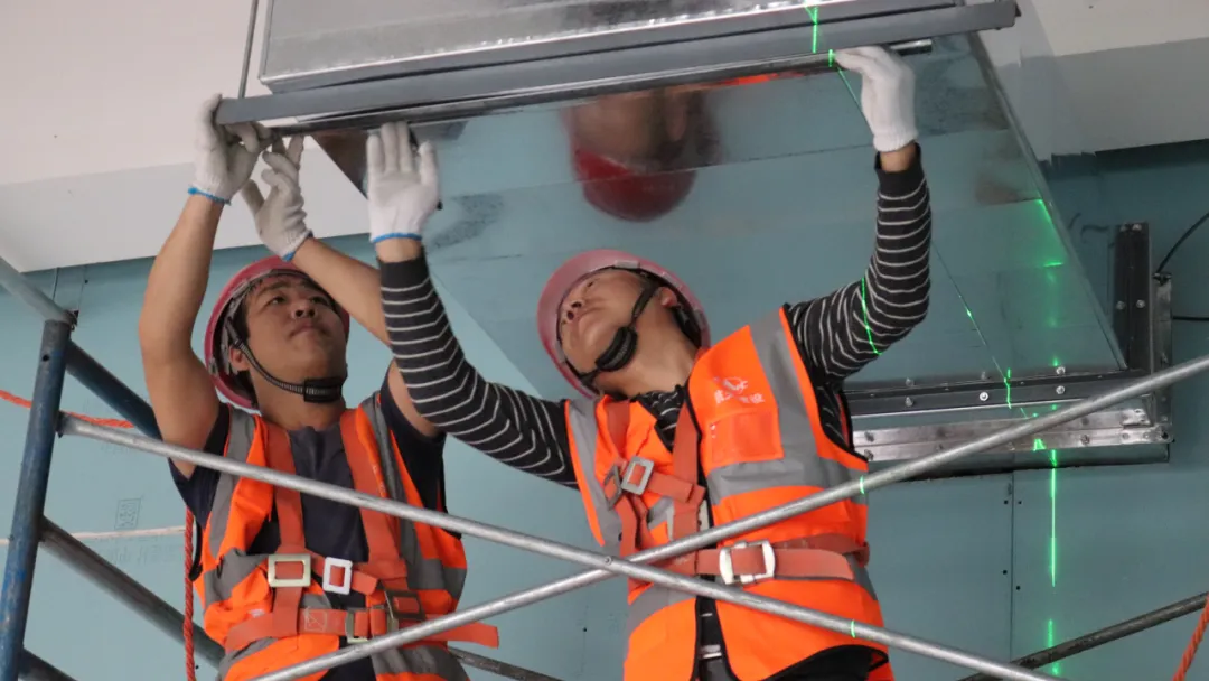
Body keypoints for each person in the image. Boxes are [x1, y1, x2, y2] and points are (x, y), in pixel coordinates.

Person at [369, 44, 929, 682]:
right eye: (564, 321)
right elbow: (446, 395)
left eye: (593, 284)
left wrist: (897, 150)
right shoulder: (586, 441)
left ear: (666, 296)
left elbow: (894, 300)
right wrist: (398, 250)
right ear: (582, 376)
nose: (572, 304)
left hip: (811, 662)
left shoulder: (785, 355)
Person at [137, 95, 498, 681]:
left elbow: (420, 341)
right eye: (276, 301)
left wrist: (299, 244)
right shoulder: (222, 448)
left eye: (320, 300)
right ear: (237, 355)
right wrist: (207, 196)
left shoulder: (394, 433)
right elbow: (161, 341)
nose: (304, 306)